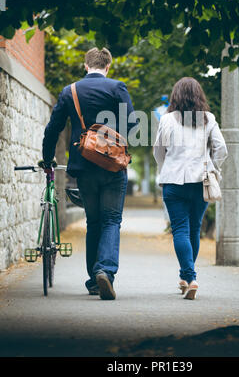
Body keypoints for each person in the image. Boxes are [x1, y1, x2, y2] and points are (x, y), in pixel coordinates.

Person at [40, 47, 137, 300]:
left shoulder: (69, 91)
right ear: (108, 66)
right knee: (111, 220)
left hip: (83, 166)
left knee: (93, 221)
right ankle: (105, 270)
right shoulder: (117, 88)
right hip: (113, 166)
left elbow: (53, 129)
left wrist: (48, 158)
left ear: (86, 65)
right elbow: (133, 125)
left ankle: (95, 281)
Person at [153, 77, 228, 300]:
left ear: (175, 96)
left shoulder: (167, 120)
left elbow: (159, 150)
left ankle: (189, 277)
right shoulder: (208, 119)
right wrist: (214, 166)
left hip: (173, 183)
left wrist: (165, 168)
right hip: (200, 181)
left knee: (180, 230)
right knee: (193, 229)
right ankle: (187, 278)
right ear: (199, 96)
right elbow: (221, 148)